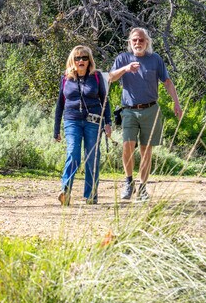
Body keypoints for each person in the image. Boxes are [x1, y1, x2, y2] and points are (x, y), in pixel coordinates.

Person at [109, 27, 182, 201]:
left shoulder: (155, 59)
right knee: (127, 146)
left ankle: (142, 187)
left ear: (147, 42)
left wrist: (176, 103)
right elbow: (110, 77)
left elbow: (167, 81)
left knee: (146, 150)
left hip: (151, 110)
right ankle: (128, 182)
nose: (137, 43)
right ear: (130, 42)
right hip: (129, 110)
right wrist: (125, 69)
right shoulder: (123, 58)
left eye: (141, 40)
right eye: (134, 40)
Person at [54, 45, 112, 206]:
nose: (81, 61)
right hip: (72, 120)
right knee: (73, 152)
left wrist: (108, 123)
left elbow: (105, 101)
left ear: (89, 61)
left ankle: (91, 194)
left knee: (92, 157)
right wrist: (56, 129)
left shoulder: (97, 77)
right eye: (78, 58)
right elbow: (60, 104)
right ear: (72, 60)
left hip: (93, 121)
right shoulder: (66, 78)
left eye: (84, 58)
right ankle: (66, 191)